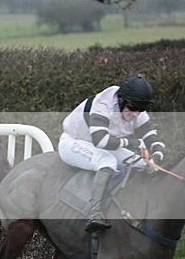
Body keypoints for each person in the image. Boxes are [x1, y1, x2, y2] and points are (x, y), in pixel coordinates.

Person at [59, 75, 165, 233]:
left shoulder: (134, 108)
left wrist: (157, 155)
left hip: (105, 144)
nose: (135, 114)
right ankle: (94, 214)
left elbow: (153, 139)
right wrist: (133, 143)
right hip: (74, 142)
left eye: (140, 109)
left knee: (142, 163)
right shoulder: (103, 104)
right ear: (121, 100)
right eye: (132, 108)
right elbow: (100, 141)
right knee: (107, 162)